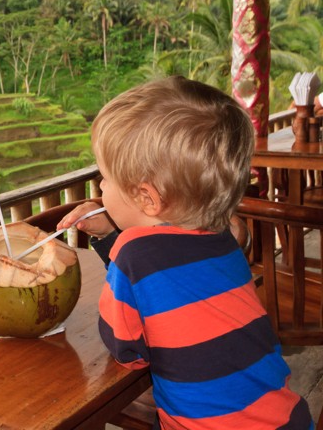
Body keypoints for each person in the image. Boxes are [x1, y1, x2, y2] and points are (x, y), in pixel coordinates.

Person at [57, 76, 313, 430]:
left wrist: (119, 244)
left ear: (147, 198)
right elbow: (165, 278)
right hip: (284, 416)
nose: (101, 186)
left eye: (105, 178)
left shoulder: (134, 252)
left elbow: (127, 351)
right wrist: (110, 237)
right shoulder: (221, 236)